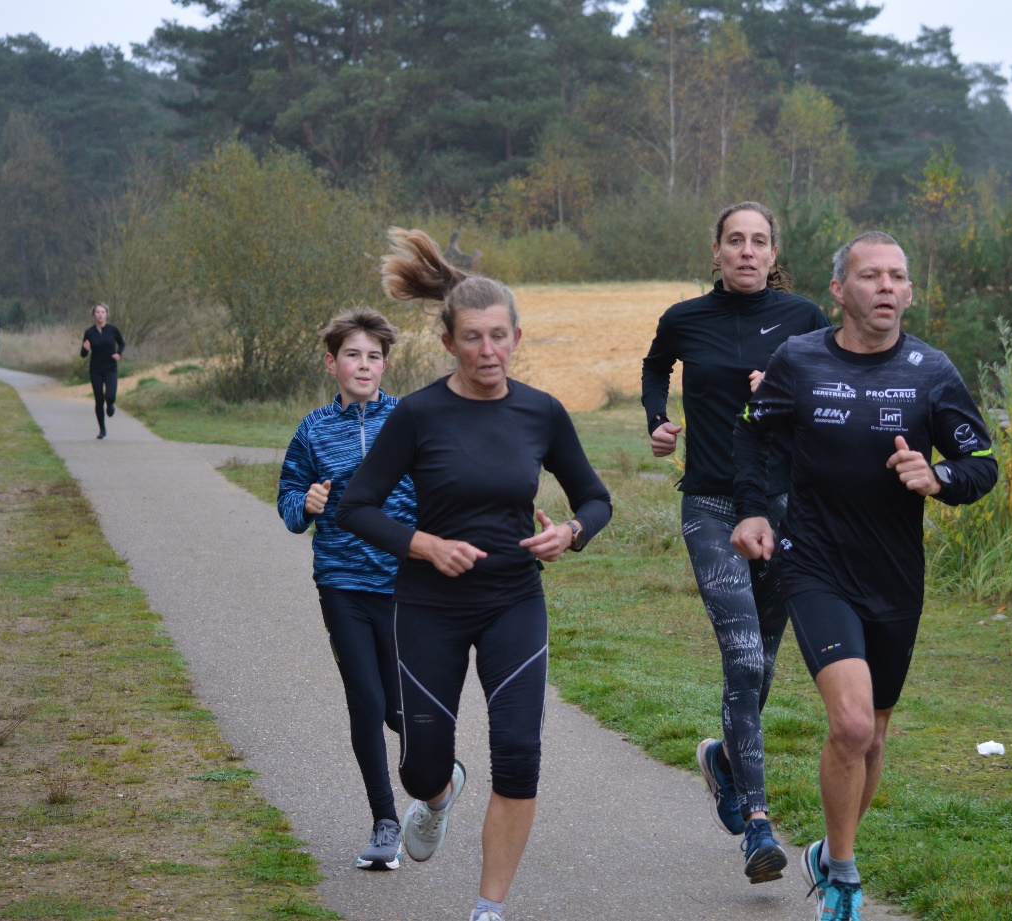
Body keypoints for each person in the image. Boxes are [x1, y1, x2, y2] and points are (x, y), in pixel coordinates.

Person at [337, 229, 611, 921]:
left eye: (500, 337)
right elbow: (356, 506)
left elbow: (595, 498)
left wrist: (569, 532)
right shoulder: (420, 414)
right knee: (423, 764)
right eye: (473, 339)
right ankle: (436, 794)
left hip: (514, 598)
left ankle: (488, 909)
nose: (488, 352)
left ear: (518, 336)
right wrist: (425, 544)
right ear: (450, 342)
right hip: (429, 602)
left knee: (519, 752)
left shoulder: (541, 412)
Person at [730, 231, 998, 920]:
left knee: (874, 734)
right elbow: (754, 431)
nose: (885, 286)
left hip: (895, 575)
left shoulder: (931, 371)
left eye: (897, 276)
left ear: (909, 293)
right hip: (814, 561)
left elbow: (982, 465)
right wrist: (755, 511)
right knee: (849, 724)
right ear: (840, 292)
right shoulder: (799, 359)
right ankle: (844, 876)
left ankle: (827, 847)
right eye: (870, 275)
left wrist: (936, 475)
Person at [640, 200, 830, 883]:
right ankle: (757, 822)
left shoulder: (807, 320)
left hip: (786, 510)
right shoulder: (686, 318)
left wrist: (789, 390)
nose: (747, 251)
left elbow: (838, 391)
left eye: (759, 241)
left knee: (763, 666)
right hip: (712, 505)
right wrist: (659, 419)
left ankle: (723, 757)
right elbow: (655, 365)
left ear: (774, 252)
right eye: (735, 240)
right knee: (743, 657)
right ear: (716, 250)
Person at [277, 307, 418, 871]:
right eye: (353, 355)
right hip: (341, 584)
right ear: (332, 362)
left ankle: (435, 783)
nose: (364, 365)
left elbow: (442, 488)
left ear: (386, 364)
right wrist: (304, 506)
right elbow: (289, 500)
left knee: (401, 711)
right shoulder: (312, 429)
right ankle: (385, 822)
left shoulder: (409, 420)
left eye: (375, 356)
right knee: (366, 702)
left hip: (404, 584)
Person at [80, 303, 124, 439]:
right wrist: (85, 349)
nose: (100, 315)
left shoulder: (113, 330)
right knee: (99, 400)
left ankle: (110, 406)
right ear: (94, 315)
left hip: (110, 368)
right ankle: (102, 429)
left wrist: (119, 353)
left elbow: (121, 343)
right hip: (96, 369)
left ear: (107, 314)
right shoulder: (89, 332)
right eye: (97, 312)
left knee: (110, 396)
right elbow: (83, 354)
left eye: (103, 312)